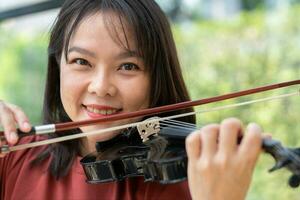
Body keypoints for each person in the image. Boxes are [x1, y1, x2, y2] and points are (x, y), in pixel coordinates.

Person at [0, 0, 263, 199]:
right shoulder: (13, 157)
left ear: (156, 78)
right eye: (82, 61)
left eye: (128, 66)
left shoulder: (183, 185)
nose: (101, 87)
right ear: (59, 66)